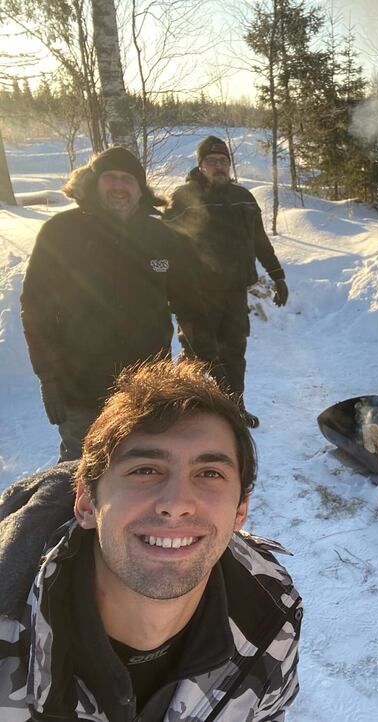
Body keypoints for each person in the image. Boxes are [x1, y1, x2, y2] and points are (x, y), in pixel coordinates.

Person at [0, 358, 302, 721]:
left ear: (240, 510)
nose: (175, 505)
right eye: (145, 470)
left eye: (209, 472)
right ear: (85, 502)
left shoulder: (271, 610)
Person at [20, 146, 217, 462]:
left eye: (128, 179)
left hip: (148, 389)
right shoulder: (61, 233)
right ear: (94, 184)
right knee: (80, 472)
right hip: (80, 388)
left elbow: (192, 306)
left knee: (143, 467)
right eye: (109, 177)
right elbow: (36, 308)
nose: (118, 186)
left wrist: (200, 364)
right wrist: (49, 377)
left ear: (141, 189)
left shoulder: (164, 237)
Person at [165, 136, 289, 429]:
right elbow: (163, 245)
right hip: (195, 294)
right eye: (211, 161)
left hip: (234, 292)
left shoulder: (243, 198)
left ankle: (234, 408)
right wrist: (168, 288)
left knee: (234, 352)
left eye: (223, 161)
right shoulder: (183, 198)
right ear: (200, 165)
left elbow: (260, 241)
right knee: (199, 355)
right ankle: (184, 410)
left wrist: (278, 275)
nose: (218, 166)